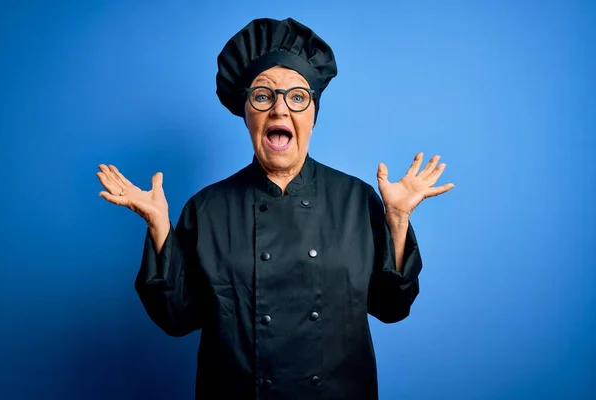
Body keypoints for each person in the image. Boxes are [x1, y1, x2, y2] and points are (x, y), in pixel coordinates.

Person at [96, 17, 454, 400]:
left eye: (297, 97)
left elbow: (391, 307)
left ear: (313, 114)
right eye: (264, 96)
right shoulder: (207, 208)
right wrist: (159, 227)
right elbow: (177, 318)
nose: (280, 110)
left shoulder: (357, 199)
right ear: (246, 112)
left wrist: (397, 220)